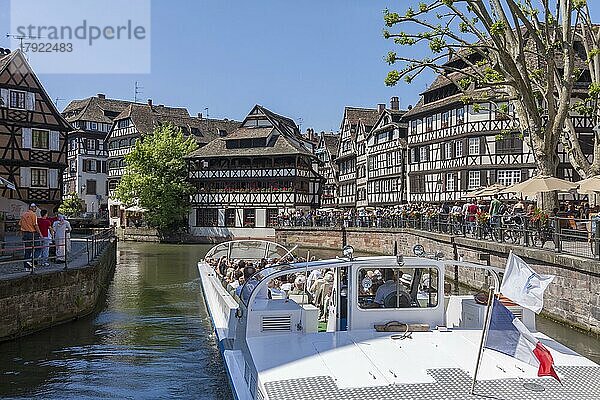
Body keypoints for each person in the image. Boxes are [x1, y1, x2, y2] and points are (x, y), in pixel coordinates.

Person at [19, 203, 42, 270]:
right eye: (34, 207)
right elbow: (35, 225)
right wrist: (40, 233)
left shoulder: (23, 215)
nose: (35, 208)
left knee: (27, 250)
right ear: (31, 207)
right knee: (38, 248)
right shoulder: (33, 215)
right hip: (32, 234)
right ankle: (31, 261)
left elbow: (20, 224)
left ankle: (26, 266)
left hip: (25, 233)